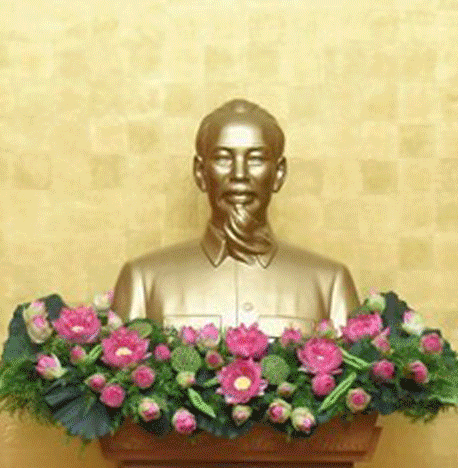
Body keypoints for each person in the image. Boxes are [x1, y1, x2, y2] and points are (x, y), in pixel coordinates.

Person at [110, 99, 358, 334]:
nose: (239, 174)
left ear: (279, 173)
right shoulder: (143, 280)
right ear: (200, 172)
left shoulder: (329, 283)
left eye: (256, 159)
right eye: (223, 158)